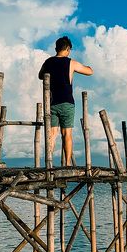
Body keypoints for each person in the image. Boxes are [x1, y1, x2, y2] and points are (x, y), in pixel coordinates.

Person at [38, 36, 93, 166]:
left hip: (52, 103)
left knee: (52, 134)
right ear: (68, 49)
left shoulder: (48, 62)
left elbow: (40, 76)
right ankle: (67, 164)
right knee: (67, 133)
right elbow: (90, 72)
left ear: (56, 48)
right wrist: (87, 66)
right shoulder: (71, 62)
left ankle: (49, 163)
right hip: (67, 102)